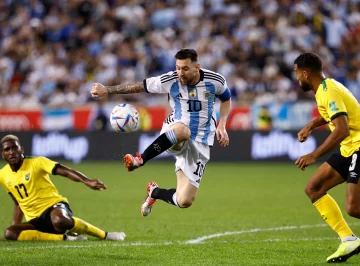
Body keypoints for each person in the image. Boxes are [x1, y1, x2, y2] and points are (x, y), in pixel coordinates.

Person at [91, 48, 231, 216]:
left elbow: (226, 99)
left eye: (185, 68)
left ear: (197, 67)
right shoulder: (170, 80)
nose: (180, 73)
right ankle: (140, 159)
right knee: (183, 130)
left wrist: (222, 124)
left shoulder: (215, 80)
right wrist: (107, 90)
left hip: (201, 141)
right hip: (175, 130)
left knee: (184, 200)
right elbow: (139, 87)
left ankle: (154, 193)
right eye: (178, 68)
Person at [294, 52, 360, 263]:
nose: (297, 79)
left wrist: (314, 155)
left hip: (358, 145)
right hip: (349, 148)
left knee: (354, 208)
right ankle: (348, 239)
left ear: (305, 73)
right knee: (313, 188)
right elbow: (335, 114)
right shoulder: (326, 88)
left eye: (297, 74)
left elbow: (341, 130)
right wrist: (311, 125)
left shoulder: (328, 91)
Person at [0, 135, 126, 241]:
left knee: (60, 219)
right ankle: (66, 238)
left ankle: (105, 235)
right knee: (10, 233)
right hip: (35, 219)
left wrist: (87, 181)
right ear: (3, 154)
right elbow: (18, 203)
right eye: (7, 150)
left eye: (14, 148)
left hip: (53, 206)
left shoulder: (37, 162)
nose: (11, 152)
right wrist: (15, 226)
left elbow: (65, 171)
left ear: (21, 149)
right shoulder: (3, 175)